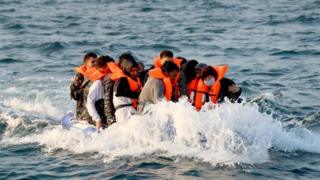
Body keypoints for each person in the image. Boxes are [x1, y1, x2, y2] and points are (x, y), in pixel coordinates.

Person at [108, 54, 142, 122]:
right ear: (127, 69)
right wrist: (138, 95)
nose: (135, 73)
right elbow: (119, 92)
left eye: (136, 71)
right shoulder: (122, 78)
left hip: (127, 109)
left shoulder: (126, 78)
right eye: (132, 71)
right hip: (123, 111)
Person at [85, 55, 114, 130]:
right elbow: (89, 102)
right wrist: (97, 119)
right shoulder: (98, 83)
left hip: (106, 117)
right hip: (96, 119)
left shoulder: (111, 82)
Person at [70, 52, 97, 119]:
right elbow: (75, 96)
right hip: (83, 111)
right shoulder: (80, 76)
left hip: (95, 109)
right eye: (93, 62)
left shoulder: (98, 74)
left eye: (96, 61)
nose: (95, 64)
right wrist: (75, 86)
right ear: (86, 63)